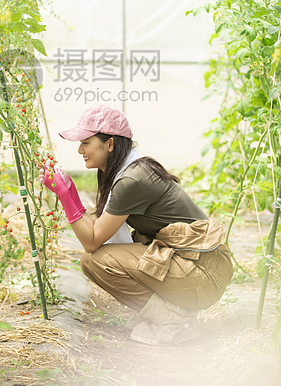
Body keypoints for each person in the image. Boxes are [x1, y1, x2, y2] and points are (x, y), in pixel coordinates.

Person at [40, 104, 233, 345]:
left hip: (205, 274)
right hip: (195, 266)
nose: (80, 150)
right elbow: (97, 229)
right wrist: (68, 192)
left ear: (110, 144)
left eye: (86, 142)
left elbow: (91, 241)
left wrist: (67, 196)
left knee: (98, 260)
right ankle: (173, 313)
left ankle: (175, 320)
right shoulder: (123, 172)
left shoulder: (132, 180)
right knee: (92, 261)